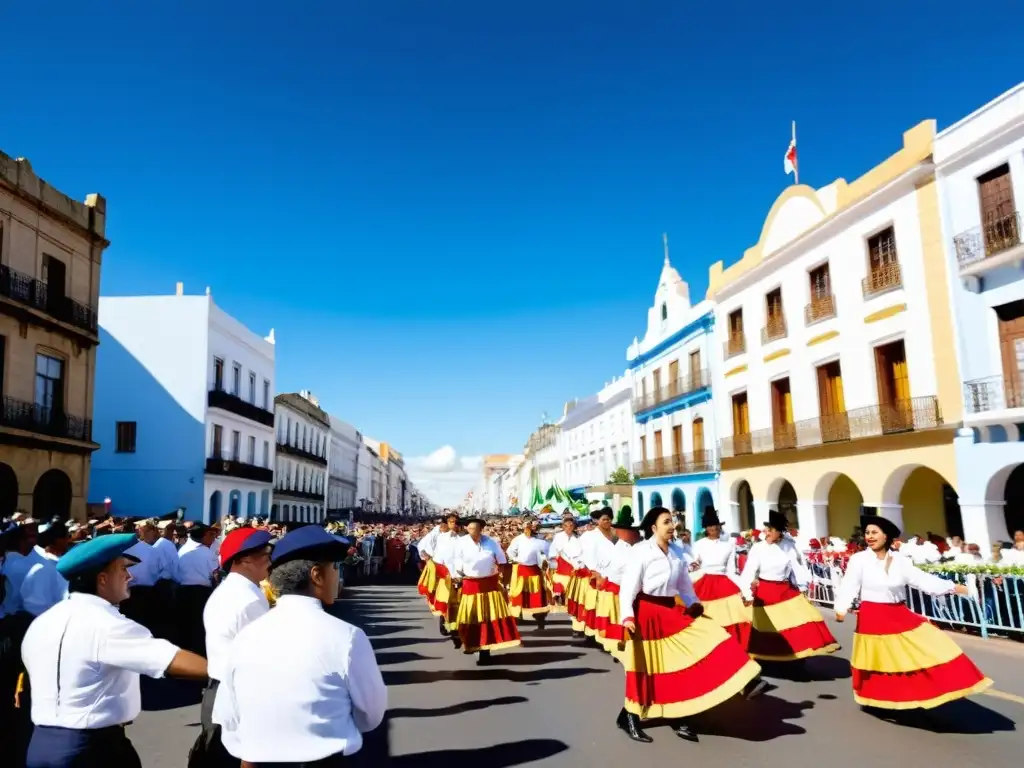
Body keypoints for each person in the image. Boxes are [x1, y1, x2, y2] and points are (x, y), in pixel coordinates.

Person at [21, 533, 208, 768]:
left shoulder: (43, 622)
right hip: (93, 748)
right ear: (102, 579)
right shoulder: (108, 624)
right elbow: (170, 660)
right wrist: (225, 671)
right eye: (122, 569)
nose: (129, 576)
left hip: (40, 744)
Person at [214, 526, 387, 765]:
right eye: (334, 567)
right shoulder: (346, 636)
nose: (337, 575)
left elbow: (230, 715)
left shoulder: (246, 636)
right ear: (316, 576)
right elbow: (371, 715)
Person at [617, 507, 761, 744]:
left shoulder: (676, 552)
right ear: (653, 528)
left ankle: (741, 682)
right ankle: (630, 717)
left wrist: (694, 604)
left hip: (670, 611)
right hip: (647, 613)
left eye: (672, 521)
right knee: (647, 667)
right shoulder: (641, 552)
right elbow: (628, 589)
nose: (672, 525)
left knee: (705, 641)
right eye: (666, 522)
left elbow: (684, 586)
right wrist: (627, 617)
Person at [834, 515, 993, 710]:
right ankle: (883, 698)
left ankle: (918, 693)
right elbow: (850, 584)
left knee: (919, 652)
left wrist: (956, 588)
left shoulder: (900, 560)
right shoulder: (859, 560)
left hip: (898, 615)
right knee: (882, 661)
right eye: (867, 533)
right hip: (872, 618)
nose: (870, 536)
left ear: (886, 536)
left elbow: (921, 580)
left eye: (874, 532)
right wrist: (841, 607)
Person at [189, 528, 273, 768]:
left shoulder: (233, 590)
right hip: (236, 692)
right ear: (243, 560)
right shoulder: (247, 598)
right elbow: (260, 655)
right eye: (264, 554)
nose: (269, 560)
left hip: (221, 688)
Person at [739, 510, 840, 661]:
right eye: (766, 529)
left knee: (801, 618)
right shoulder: (758, 548)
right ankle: (769, 658)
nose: (766, 532)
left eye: (770, 530)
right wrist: (746, 593)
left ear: (779, 532)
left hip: (785, 590)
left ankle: (797, 655)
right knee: (769, 628)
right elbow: (748, 571)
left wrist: (803, 588)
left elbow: (797, 568)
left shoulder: (788, 547)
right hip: (765, 592)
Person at [452, 517, 521, 664]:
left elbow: (502, 561)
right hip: (470, 583)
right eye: (470, 529)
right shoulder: (461, 543)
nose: (473, 532)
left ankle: (485, 650)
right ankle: (466, 641)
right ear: (466, 529)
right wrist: (457, 576)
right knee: (470, 618)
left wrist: (503, 577)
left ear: (481, 529)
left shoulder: (491, 542)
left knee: (488, 619)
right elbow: (456, 561)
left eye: (476, 529)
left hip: (489, 585)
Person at [689, 509, 751, 647]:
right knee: (703, 618)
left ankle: (730, 648)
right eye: (710, 526)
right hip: (703, 583)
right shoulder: (699, 545)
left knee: (730, 617)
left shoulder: (729, 545)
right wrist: (693, 567)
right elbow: (694, 563)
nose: (714, 528)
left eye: (716, 525)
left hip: (724, 583)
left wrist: (744, 590)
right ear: (706, 528)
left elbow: (731, 570)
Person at [594, 508, 640, 657]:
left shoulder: (633, 548)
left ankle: (623, 640)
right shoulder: (605, 545)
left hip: (627, 587)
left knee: (625, 615)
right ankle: (615, 643)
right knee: (612, 616)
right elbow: (601, 565)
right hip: (611, 586)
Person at [175, 524, 220, 655]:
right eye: (210, 535)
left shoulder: (182, 550)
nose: (213, 538)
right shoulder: (207, 553)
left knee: (185, 626)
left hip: (182, 591)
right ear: (203, 536)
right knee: (200, 627)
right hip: (201, 593)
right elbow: (215, 575)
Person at [506, 514, 552, 629]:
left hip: (535, 571)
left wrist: (545, 561)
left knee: (537, 596)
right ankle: (516, 618)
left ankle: (540, 620)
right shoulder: (518, 539)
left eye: (532, 525)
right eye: (527, 525)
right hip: (521, 571)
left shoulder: (541, 541)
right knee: (518, 596)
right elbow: (510, 552)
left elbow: (548, 554)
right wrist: (516, 559)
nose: (530, 527)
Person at [582, 507, 616, 639]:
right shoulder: (590, 536)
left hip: (613, 575)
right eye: (604, 519)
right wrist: (596, 573)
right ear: (598, 521)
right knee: (596, 606)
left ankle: (610, 633)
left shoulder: (616, 534)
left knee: (610, 607)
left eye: (609, 519)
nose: (607, 521)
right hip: (598, 575)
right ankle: (592, 635)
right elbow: (588, 555)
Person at [430, 516, 463, 643]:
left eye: (454, 522)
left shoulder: (465, 538)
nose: (452, 524)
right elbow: (438, 558)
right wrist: (444, 574)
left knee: (459, 603)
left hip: (461, 575)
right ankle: (444, 622)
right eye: (450, 522)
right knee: (446, 600)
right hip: (447, 574)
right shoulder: (442, 538)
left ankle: (459, 627)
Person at [547, 512, 578, 611]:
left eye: (571, 526)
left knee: (571, 582)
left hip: (573, 563)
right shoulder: (559, 536)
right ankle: (558, 596)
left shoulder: (577, 538)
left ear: (573, 527)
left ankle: (568, 600)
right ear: (563, 527)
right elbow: (553, 550)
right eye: (566, 526)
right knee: (559, 580)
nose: (569, 527)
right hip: (561, 562)